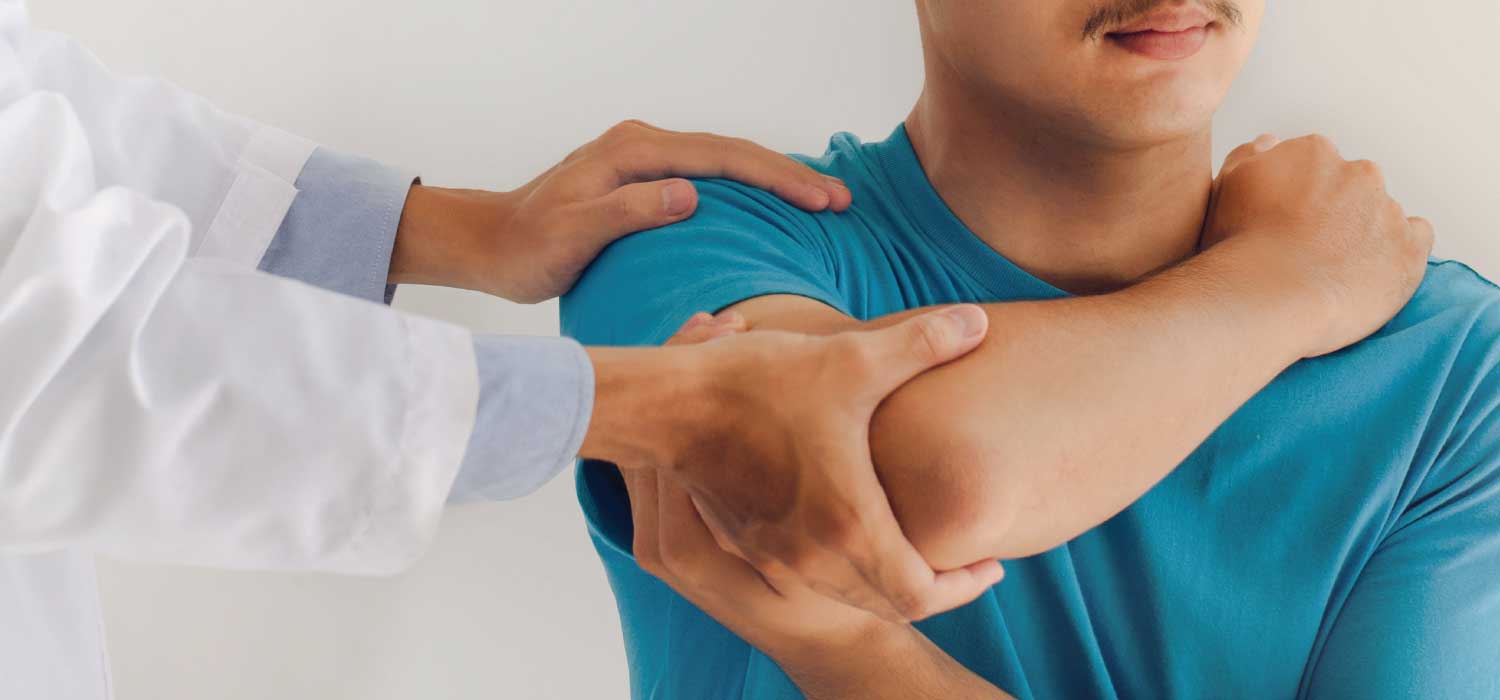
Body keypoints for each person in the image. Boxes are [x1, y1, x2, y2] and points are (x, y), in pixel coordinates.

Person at [0, 2, 1018, 698]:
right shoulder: (727, 251)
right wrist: (659, 405)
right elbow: (44, 354)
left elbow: (37, 121)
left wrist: (465, 229)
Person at [561, 0, 1498, 697]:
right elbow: (930, 471)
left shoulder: (1455, 371)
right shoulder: (685, 229)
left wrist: (862, 656)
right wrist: (1284, 290)